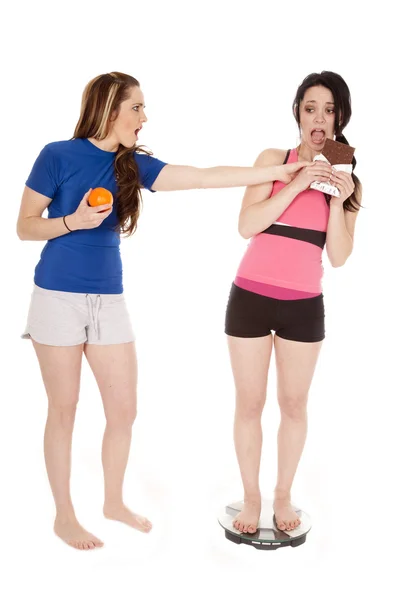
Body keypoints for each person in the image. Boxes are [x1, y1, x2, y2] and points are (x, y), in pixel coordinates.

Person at [16, 71, 310, 551]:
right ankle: (64, 516)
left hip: (108, 298)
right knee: (64, 410)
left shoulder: (133, 166)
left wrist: (274, 174)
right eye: (137, 108)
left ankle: (112, 502)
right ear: (111, 109)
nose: (144, 117)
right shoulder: (57, 155)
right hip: (56, 297)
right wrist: (71, 222)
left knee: (124, 410)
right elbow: (25, 227)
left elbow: (200, 177)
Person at [224, 71, 362, 534]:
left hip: (304, 304)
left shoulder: (348, 178)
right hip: (249, 296)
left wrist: (340, 203)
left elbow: (339, 257)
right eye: (310, 108)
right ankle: (251, 498)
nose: (319, 119)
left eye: (329, 110)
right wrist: (299, 182)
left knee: (294, 405)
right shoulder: (273, 160)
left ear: (339, 118)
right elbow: (248, 225)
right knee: (249, 402)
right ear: (298, 115)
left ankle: (283, 496)